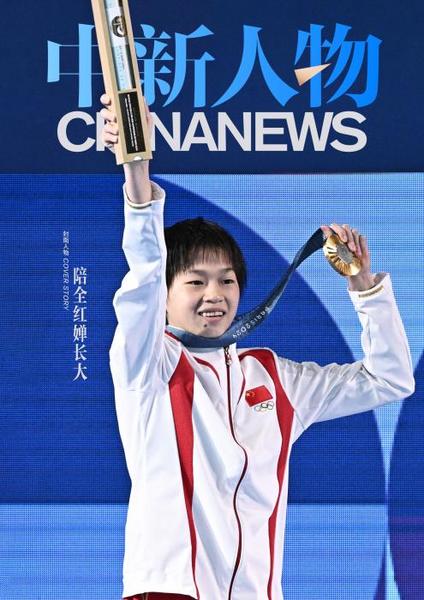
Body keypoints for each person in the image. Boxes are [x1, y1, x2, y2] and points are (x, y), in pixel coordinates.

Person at [100, 94, 415, 600]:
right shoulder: (148, 364)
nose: (214, 295)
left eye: (226, 281)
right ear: (165, 295)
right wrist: (137, 172)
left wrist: (365, 289)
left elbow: (391, 379)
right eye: (195, 281)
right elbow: (143, 273)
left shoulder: (274, 378)